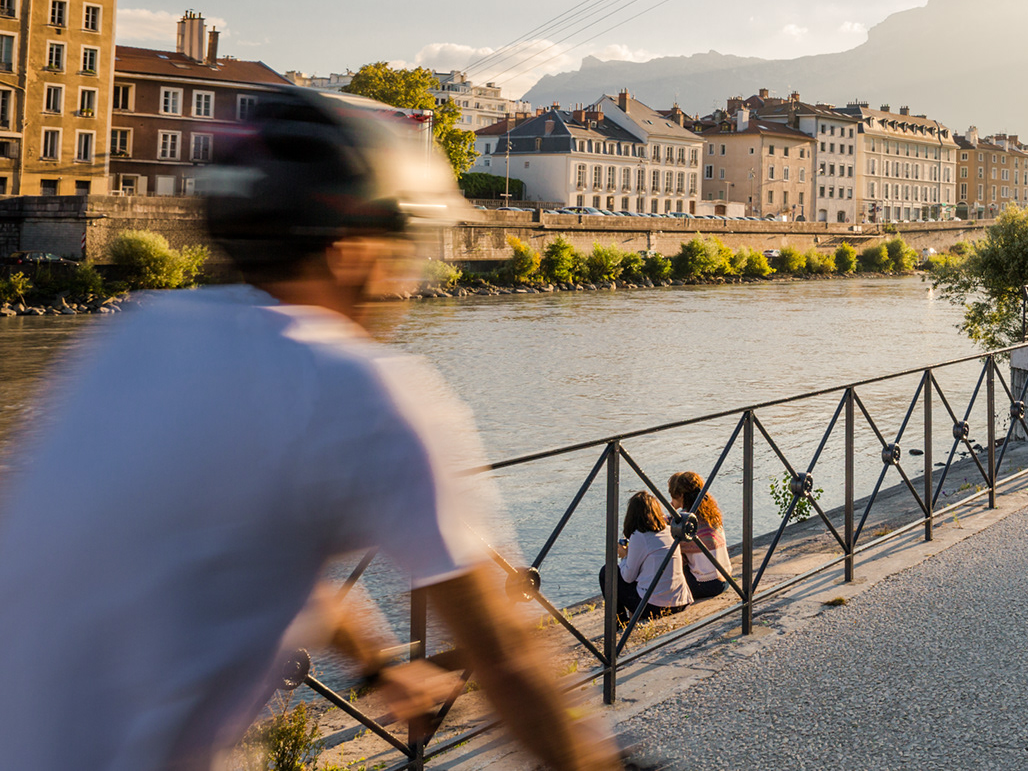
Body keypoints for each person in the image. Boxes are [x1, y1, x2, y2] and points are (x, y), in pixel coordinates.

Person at [0, 87, 618, 771]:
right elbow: (504, 655)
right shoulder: (356, 384)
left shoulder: (133, 337)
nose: (409, 283)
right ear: (351, 250)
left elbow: (248, 540)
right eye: (406, 247)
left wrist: (378, 665)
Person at [615, 492, 694, 621]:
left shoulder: (639, 536)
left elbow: (628, 577)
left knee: (607, 572)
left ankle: (620, 624)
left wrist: (625, 556)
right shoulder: (669, 530)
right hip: (681, 601)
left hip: (656, 606)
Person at [669, 471, 732, 601]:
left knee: (669, 553)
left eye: (672, 495)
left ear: (680, 495)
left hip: (704, 585)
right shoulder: (711, 514)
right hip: (726, 579)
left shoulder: (684, 522)